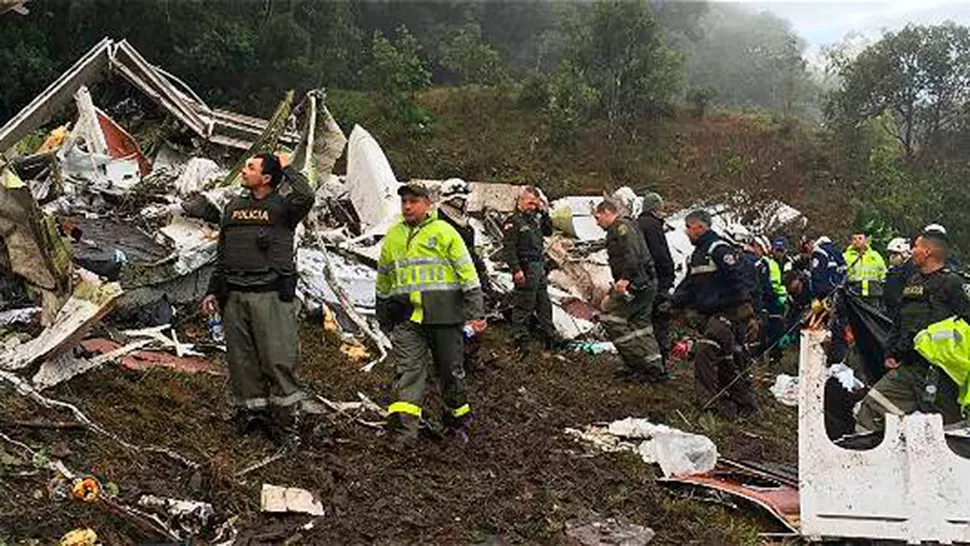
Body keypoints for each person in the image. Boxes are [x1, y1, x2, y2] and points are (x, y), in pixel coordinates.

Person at [201, 152, 314, 443]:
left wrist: (287, 168)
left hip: (270, 296)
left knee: (278, 360)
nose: (244, 170)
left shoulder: (284, 208)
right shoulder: (233, 207)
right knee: (242, 363)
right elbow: (222, 253)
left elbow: (306, 195)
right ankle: (252, 418)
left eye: (251, 167)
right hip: (234, 296)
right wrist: (213, 290)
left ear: (266, 178)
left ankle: (286, 425)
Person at [376, 182, 486, 445]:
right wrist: (383, 314)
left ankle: (457, 420)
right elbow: (383, 279)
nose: (407, 206)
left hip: (444, 317)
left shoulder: (445, 232)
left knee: (450, 371)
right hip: (407, 318)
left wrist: (475, 312)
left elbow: (467, 274)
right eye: (404, 202)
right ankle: (403, 434)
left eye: (414, 201)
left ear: (428, 204)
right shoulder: (393, 236)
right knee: (408, 372)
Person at [855, 227, 970, 433]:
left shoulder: (953, 283)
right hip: (908, 368)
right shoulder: (913, 281)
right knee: (871, 409)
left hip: (940, 374)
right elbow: (900, 319)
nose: (912, 250)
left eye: (916, 246)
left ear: (927, 252)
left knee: (951, 431)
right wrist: (891, 351)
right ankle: (865, 460)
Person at [672, 209, 758, 418]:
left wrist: (749, 309)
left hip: (730, 311)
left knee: (706, 348)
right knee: (725, 359)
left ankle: (709, 404)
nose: (686, 232)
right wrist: (671, 301)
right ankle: (742, 402)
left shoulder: (718, 249)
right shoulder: (696, 256)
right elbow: (690, 286)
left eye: (689, 227)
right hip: (711, 314)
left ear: (701, 227)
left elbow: (740, 276)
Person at [593, 199, 666, 383]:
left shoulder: (621, 227)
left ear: (608, 212)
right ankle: (654, 368)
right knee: (640, 325)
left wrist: (625, 279)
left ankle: (637, 364)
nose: (596, 222)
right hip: (645, 282)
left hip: (637, 283)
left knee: (612, 319)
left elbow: (631, 254)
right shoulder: (625, 226)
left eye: (598, 217)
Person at [438, 179, 492, 370]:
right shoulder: (439, 221)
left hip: (468, 274)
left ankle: (470, 355)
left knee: (475, 318)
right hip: (449, 280)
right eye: (460, 198)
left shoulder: (463, 219)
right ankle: (452, 360)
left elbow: (470, 250)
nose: (463, 202)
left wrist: (482, 272)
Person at [502, 186, 556, 354]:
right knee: (524, 304)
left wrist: (545, 212)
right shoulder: (513, 221)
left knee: (544, 304)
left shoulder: (534, 220)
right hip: (525, 267)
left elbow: (548, 231)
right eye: (530, 202)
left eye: (535, 203)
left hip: (538, 267)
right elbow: (509, 249)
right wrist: (516, 270)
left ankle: (550, 338)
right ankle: (520, 339)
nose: (532, 206)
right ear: (521, 200)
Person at [637, 192, 675, 369]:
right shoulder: (653, 226)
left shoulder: (637, 224)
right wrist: (669, 276)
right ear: (655, 208)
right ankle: (660, 360)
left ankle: (643, 358)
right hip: (657, 279)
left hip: (640, 280)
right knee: (660, 319)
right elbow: (661, 255)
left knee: (642, 320)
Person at [759, 236, 788, 360]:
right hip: (771, 302)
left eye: (781, 250)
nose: (779, 253)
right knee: (768, 332)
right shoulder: (768, 263)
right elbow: (767, 283)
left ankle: (777, 358)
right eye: (777, 250)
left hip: (785, 302)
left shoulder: (789, 263)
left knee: (781, 331)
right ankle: (767, 358)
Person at [843, 230, 887, 302]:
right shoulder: (845, 257)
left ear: (865, 240)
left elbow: (883, 273)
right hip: (853, 295)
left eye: (860, 238)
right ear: (851, 242)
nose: (857, 241)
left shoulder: (875, 256)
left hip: (873, 294)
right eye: (854, 239)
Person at [884, 236, 914, 318]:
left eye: (895, 253)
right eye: (890, 254)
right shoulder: (892, 270)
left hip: (903, 313)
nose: (892, 257)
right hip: (891, 311)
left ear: (905, 254)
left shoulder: (911, 270)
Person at [810, 236, 846, 300]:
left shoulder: (818, 253)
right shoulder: (837, 252)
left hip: (825, 293)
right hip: (839, 291)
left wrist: (817, 294)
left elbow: (817, 273)